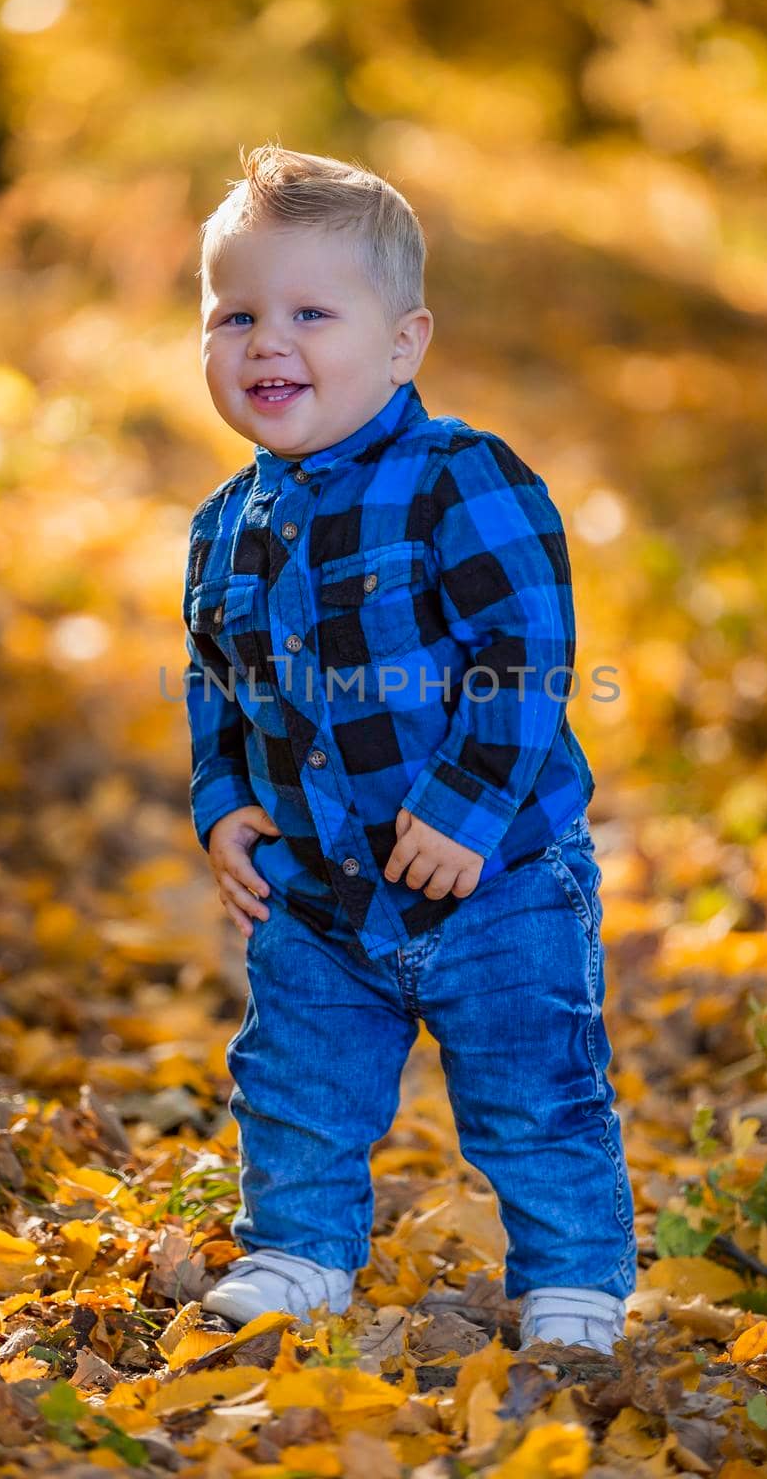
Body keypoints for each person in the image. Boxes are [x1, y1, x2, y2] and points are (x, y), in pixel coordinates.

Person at [182, 142, 637, 1354]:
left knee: (531, 1089)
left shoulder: (458, 480)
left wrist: (465, 805)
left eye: (309, 313)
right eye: (236, 315)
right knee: (295, 1081)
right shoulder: (224, 524)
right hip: (324, 892)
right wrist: (225, 801)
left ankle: (572, 1284)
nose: (267, 342)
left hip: (495, 883)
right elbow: (219, 682)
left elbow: (524, 645)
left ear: (402, 342)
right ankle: (295, 1251)